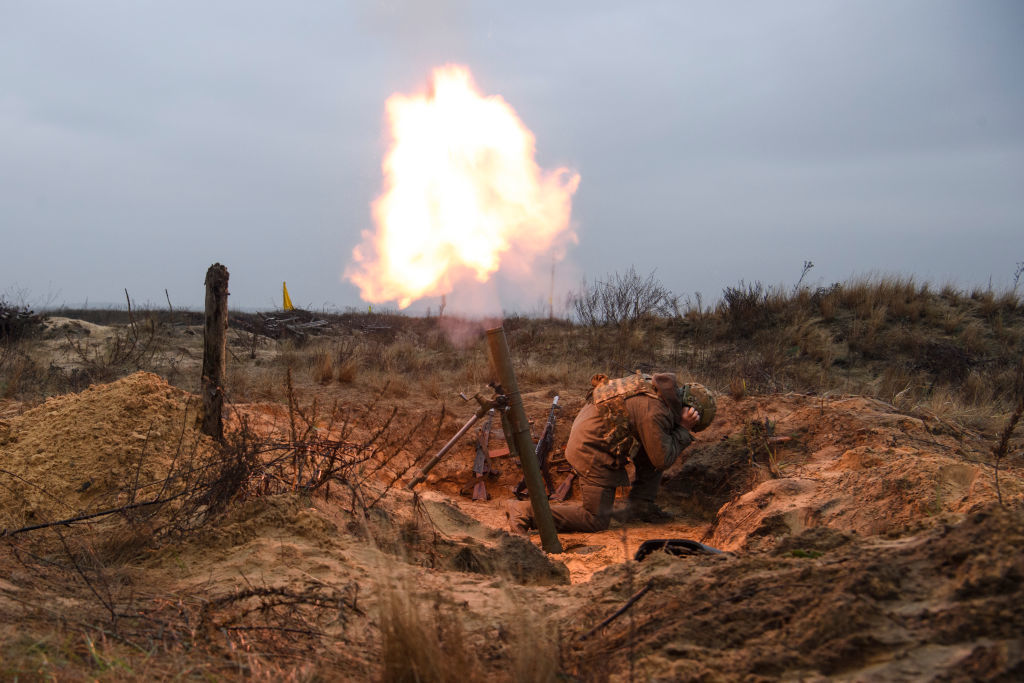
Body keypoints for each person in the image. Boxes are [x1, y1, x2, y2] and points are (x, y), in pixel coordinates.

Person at [507, 372, 716, 534]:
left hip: (592, 430)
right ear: (689, 408)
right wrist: (684, 430)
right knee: (594, 519)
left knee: (656, 445)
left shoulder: (658, 393)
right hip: (591, 447)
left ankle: (640, 507)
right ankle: (526, 512)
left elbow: (654, 453)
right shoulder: (656, 411)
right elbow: (663, 460)